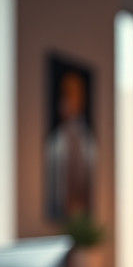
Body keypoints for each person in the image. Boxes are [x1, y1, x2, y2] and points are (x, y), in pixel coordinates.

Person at [45, 69, 95, 220]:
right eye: (66, 96)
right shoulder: (55, 141)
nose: (68, 102)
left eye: (74, 96)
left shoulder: (88, 141)